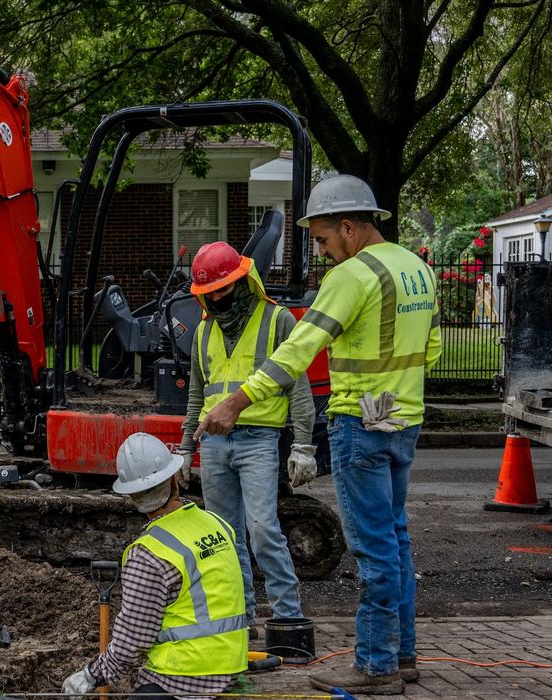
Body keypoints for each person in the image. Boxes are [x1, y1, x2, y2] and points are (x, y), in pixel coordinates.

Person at [195, 174, 441, 695]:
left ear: (349, 227)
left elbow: (297, 353)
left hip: (360, 423)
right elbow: (432, 351)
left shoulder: (352, 276)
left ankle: (375, 667)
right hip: (404, 419)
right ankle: (404, 655)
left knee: (373, 549)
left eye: (325, 240)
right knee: (395, 539)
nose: (325, 252)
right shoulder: (418, 270)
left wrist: (237, 401)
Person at [178, 241, 318, 628]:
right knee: (225, 539)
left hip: (258, 440)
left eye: (224, 289)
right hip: (214, 444)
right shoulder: (203, 332)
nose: (218, 299)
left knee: (263, 531)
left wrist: (304, 446)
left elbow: (299, 391)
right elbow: (196, 396)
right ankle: (240, 621)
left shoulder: (278, 321)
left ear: (242, 281)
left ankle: (288, 619)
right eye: (210, 293)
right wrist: (185, 450)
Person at [60, 432, 248, 700]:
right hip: (231, 666)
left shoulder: (149, 553)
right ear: (174, 479)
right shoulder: (218, 524)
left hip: (185, 675)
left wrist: (91, 676)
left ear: (132, 496)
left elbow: (133, 640)